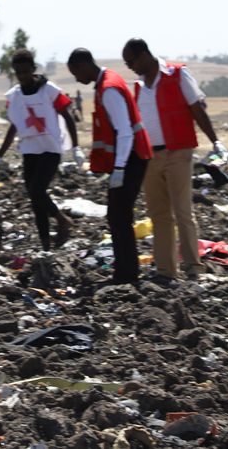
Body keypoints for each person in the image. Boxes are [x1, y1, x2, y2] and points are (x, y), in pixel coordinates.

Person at [123, 38, 228, 285]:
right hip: (150, 156)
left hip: (178, 152)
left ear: (144, 55)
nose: (130, 68)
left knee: (182, 211)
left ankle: (193, 268)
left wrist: (215, 141)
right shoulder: (138, 87)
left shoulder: (177, 75)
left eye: (131, 62)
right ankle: (166, 270)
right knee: (159, 215)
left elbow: (197, 109)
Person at [68, 47, 152, 285]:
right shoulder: (107, 83)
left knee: (118, 216)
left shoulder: (108, 89)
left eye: (75, 72)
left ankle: (126, 275)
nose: (76, 78)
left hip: (132, 158)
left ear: (84, 65)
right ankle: (126, 272)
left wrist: (119, 169)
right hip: (131, 157)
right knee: (118, 216)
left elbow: (125, 132)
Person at [0, 49, 78, 251]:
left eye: (25, 71)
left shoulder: (49, 90)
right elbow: (14, 126)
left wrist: (77, 146)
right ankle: (46, 246)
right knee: (35, 198)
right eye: (18, 72)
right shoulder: (14, 97)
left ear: (33, 69)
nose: (22, 76)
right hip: (30, 150)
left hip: (51, 149)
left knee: (36, 190)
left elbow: (67, 115)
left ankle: (62, 220)